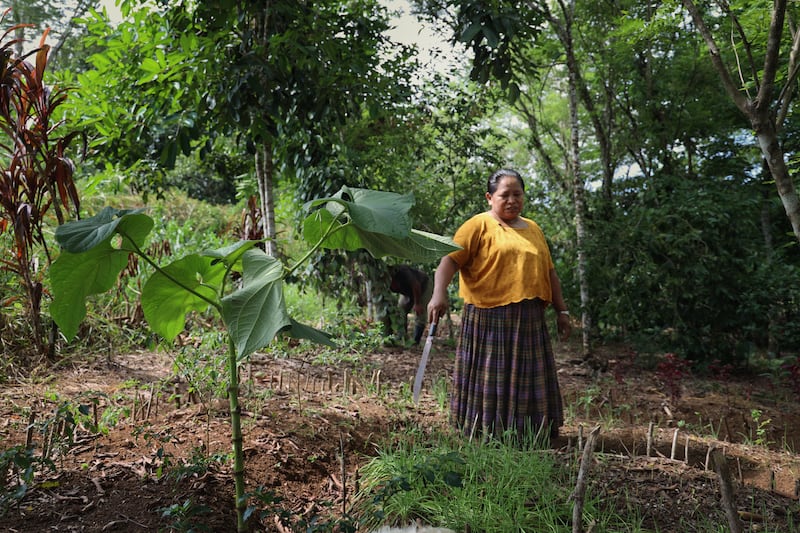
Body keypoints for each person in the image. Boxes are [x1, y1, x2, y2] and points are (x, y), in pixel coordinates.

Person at [427, 168, 571, 440]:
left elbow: (550, 273)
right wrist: (438, 294)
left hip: (528, 320)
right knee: (489, 379)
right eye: (505, 195)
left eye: (518, 194)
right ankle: (485, 432)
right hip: (487, 318)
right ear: (489, 197)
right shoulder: (477, 225)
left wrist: (561, 310)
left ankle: (529, 433)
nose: (512, 200)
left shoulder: (534, 229)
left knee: (526, 378)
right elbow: (448, 261)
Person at [389, 265, 432, 344]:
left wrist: (417, 303)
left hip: (423, 286)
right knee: (400, 311)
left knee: (420, 313)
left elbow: (416, 285)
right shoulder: (384, 281)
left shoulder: (403, 272)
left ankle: (416, 341)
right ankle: (403, 338)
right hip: (407, 292)